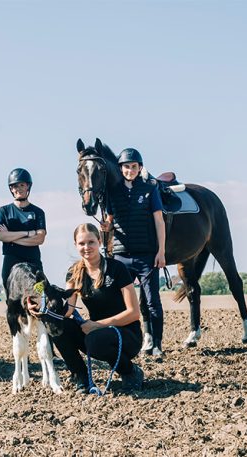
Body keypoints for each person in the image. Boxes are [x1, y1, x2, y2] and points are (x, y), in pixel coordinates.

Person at [44, 223, 144, 392]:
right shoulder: (74, 272)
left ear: (99, 241)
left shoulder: (117, 268)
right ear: (75, 245)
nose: (86, 247)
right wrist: (44, 310)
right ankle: (81, 377)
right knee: (58, 326)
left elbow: (134, 313)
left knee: (94, 340)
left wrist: (98, 325)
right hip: (96, 333)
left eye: (91, 242)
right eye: (82, 243)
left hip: (126, 334)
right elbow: (68, 309)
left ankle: (130, 372)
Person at [100, 147, 166, 357]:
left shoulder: (149, 190)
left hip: (146, 256)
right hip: (121, 258)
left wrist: (161, 251)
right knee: (122, 305)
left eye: (133, 167)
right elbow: (110, 222)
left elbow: (159, 221)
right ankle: (128, 344)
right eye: (126, 167)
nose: (130, 170)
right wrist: (106, 228)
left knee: (152, 301)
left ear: (140, 168)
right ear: (120, 169)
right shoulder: (113, 193)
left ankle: (157, 345)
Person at [0, 168, 46, 292]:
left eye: (22, 185)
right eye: (15, 186)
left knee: (39, 295)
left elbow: (40, 238)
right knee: (13, 302)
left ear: (28, 186)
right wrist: (27, 234)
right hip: (11, 261)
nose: (19, 189)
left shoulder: (38, 212)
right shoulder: (4, 211)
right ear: (11, 189)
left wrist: (11, 238)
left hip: (33, 260)